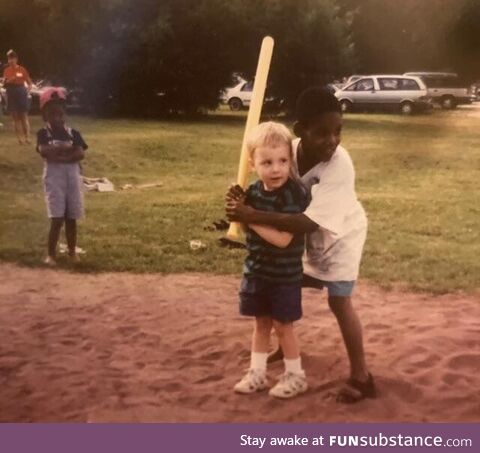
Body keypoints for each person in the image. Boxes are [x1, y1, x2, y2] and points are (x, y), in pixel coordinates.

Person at [226, 87, 376, 403]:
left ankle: (362, 377)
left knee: (338, 301)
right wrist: (243, 197)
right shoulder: (287, 151)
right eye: (322, 132)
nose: (332, 140)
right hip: (302, 238)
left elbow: (307, 221)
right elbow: (269, 181)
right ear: (300, 131)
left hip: (341, 237)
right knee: (285, 283)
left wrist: (250, 214)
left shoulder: (339, 164)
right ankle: (285, 345)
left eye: (338, 131)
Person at [232, 121, 310, 399]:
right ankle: (258, 373)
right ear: (252, 164)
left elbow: (283, 239)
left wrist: (248, 218)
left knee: (282, 325)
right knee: (260, 323)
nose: (276, 169)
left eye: (282, 161)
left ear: (290, 160)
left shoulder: (292, 193)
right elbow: (242, 231)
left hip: (284, 275)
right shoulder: (252, 193)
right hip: (257, 271)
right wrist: (237, 215)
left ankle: (295, 375)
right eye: (267, 162)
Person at [36, 87, 88, 266]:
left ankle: (72, 251)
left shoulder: (74, 133)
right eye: (52, 114)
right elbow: (45, 152)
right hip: (54, 179)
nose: (56, 117)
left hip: (72, 178)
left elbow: (80, 153)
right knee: (57, 218)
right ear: (45, 115)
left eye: (59, 113)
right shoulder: (43, 134)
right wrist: (67, 150)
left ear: (64, 113)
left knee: (71, 217)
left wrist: (59, 154)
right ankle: (51, 254)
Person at [2, 50, 33, 144]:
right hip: (11, 92)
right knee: (15, 117)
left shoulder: (22, 69)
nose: (11, 60)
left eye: (12, 58)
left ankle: (27, 137)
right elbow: (4, 83)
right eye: (9, 58)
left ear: (16, 59)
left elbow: (29, 82)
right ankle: (20, 139)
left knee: (24, 115)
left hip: (21, 91)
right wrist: (9, 80)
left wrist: (27, 91)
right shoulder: (6, 70)